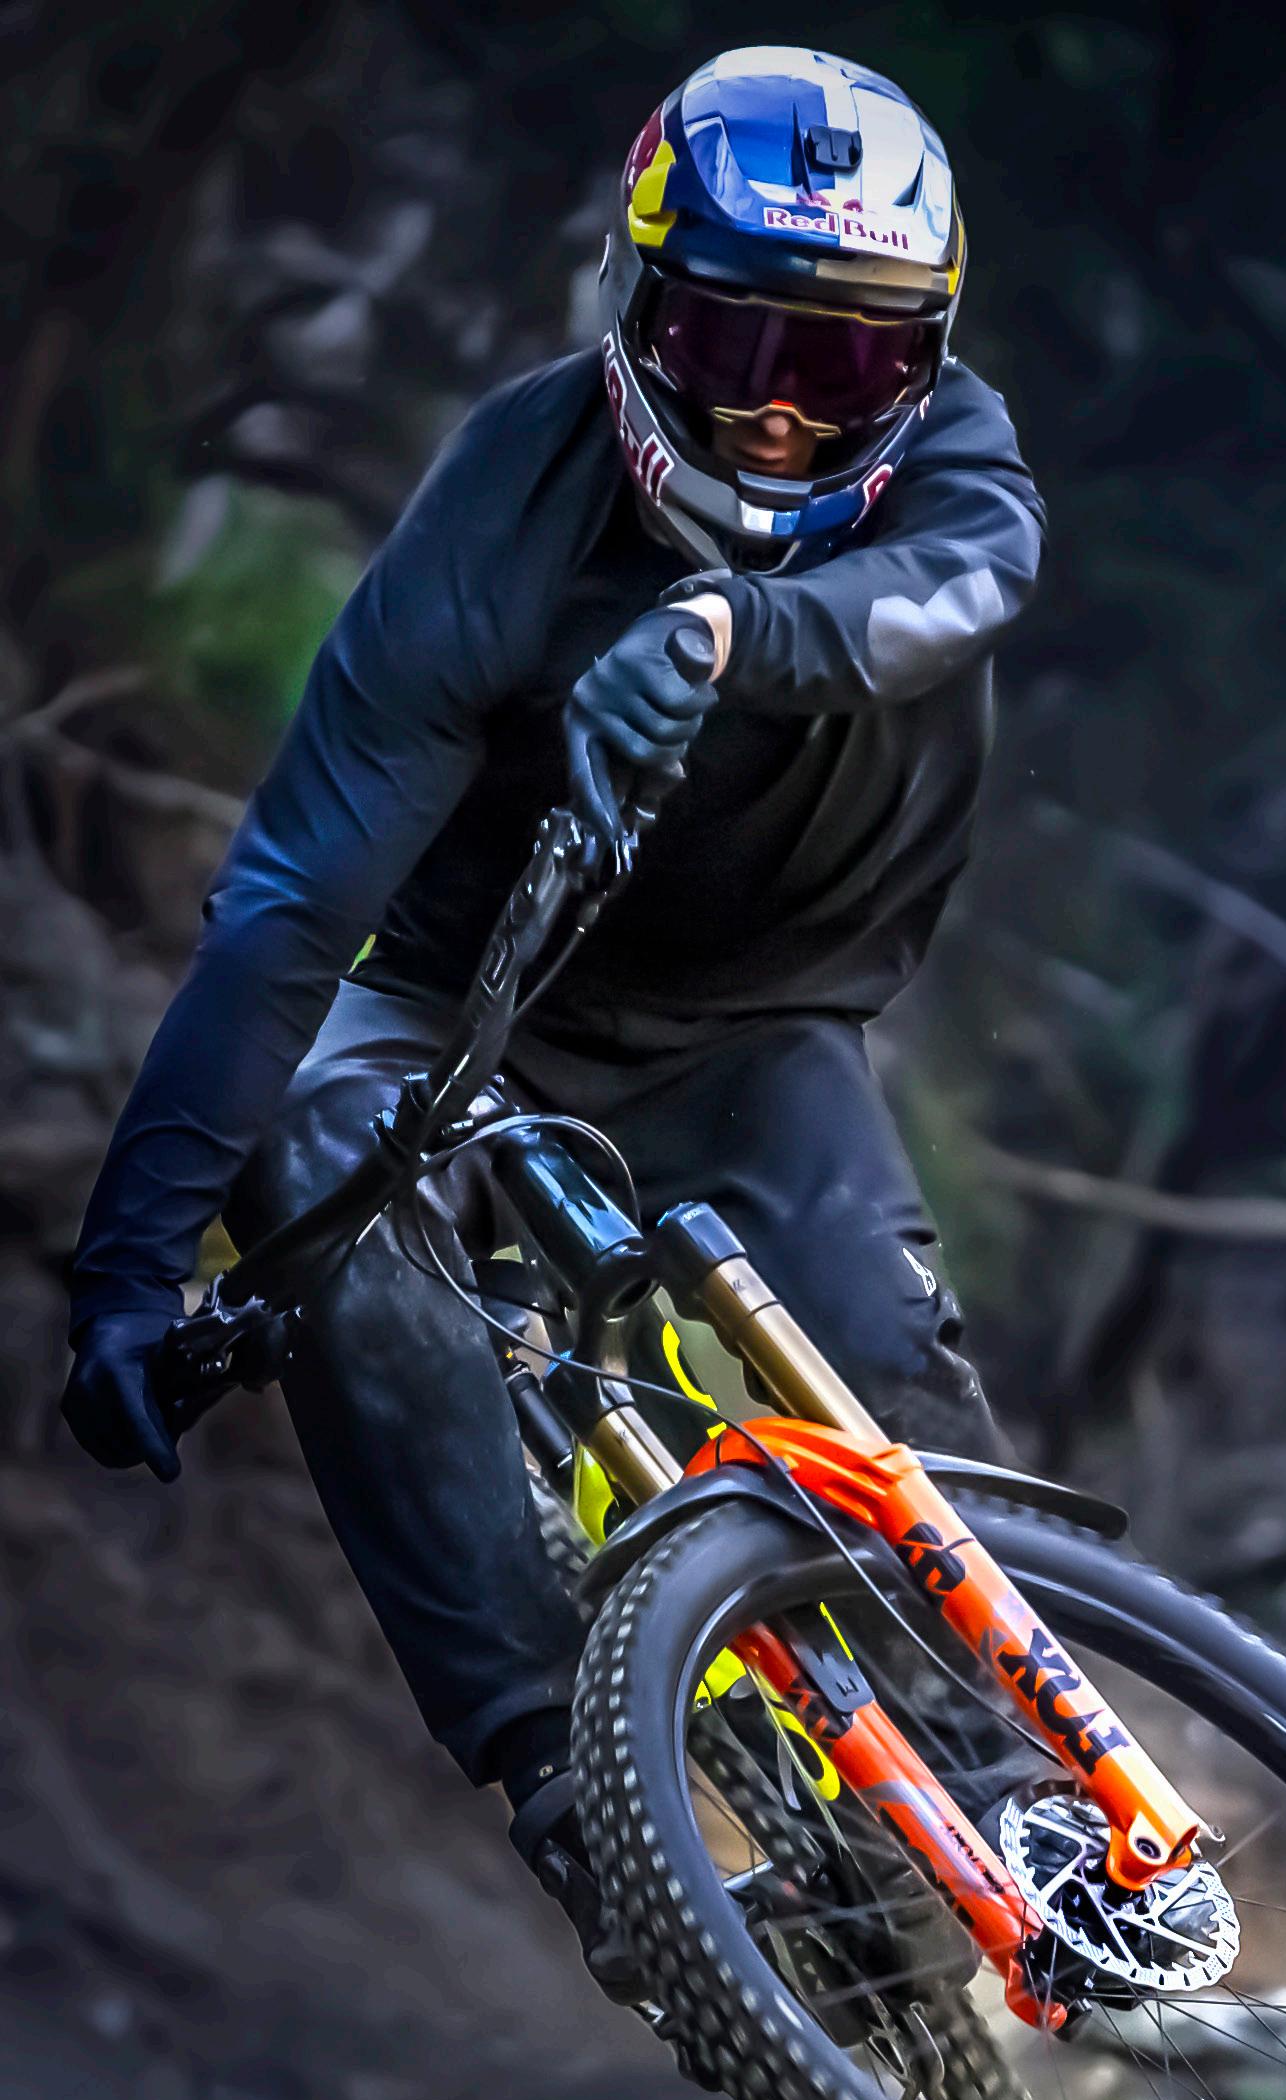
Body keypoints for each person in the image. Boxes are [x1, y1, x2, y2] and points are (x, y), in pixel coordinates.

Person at [59, 46, 1038, 1975]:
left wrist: (727, 629)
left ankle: (1008, 1792)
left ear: (920, 368)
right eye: (729, 345)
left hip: (767, 1021)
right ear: (634, 307)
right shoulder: (509, 496)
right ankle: (568, 1787)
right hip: (464, 1000)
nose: (777, 415)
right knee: (313, 1160)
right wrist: (130, 1263)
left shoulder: (961, 459)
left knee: (872, 1349)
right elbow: (291, 911)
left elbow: (966, 586)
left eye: (838, 367)